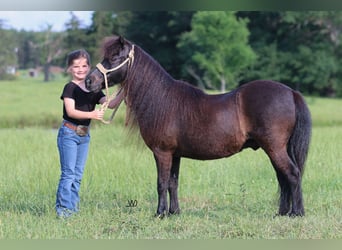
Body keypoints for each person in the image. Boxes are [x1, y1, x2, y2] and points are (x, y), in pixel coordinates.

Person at [55, 49, 114, 219]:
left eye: (84, 65)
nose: (80, 69)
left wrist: (125, 91)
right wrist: (92, 115)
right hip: (69, 133)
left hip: (84, 136)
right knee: (68, 174)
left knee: (78, 175)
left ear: (89, 67)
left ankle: (72, 209)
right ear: (69, 69)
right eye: (76, 66)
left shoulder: (94, 88)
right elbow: (71, 111)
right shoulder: (70, 88)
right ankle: (64, 211)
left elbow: (109, 104)